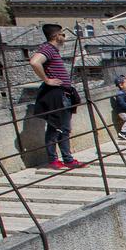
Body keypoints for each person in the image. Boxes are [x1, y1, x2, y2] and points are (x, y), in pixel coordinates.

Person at [28, 23, 85, 170]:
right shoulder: (48, 49)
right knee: (55, 128)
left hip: (63, 94)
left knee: (63, 128)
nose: (64, 37)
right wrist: (47, 80)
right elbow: (34, 62)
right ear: (56, 36)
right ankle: (54, 159)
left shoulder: (52, 50)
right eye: (62, 34)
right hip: (57, 95)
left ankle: (67, 159)